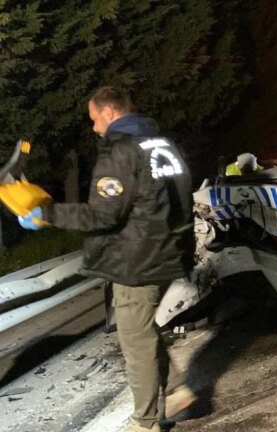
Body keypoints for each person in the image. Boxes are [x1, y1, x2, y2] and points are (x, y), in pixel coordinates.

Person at [15, 87, 197, 432]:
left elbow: (103, 215)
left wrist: (47, 214)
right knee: (142, 330)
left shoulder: (121, 150)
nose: (95, 128)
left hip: (136, 259)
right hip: (166, 250)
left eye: (95, 119)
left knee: (135, 342)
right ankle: (174, 391)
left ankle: (145, 423)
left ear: (110, 113)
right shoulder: (162, 144)